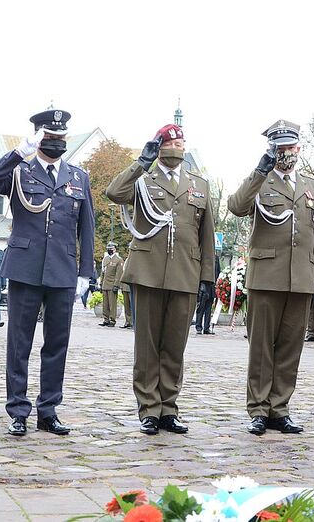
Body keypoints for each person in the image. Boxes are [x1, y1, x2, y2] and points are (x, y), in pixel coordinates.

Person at [0, 108, 94, 437]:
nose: (56, 142)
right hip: (25, 268)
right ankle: (18, 410)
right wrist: (18, 153)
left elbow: (86, 227)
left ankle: (48, 410)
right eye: (49, 137)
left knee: (57, 343)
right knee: (20, 343)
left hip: (62, 269)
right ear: (38, 138)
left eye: (60, 137)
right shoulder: (20, 171)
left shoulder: (77, 177)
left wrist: (85, 272)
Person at [107, 123, 215, 435]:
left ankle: (169, 408)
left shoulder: (199, 184)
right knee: (147, 346)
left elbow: (206, 234)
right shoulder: (143, 179)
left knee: (174, 346)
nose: (177, 147)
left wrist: (207, 277)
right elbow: (115, 192)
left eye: (180, 143)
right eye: (170, 143)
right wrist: (142, 162)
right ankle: (149, 409)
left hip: (185, 272)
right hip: (148, 272)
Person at [227, 119, 314, 436]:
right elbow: (236, 206)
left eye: (291, 146)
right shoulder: (260, 180)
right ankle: (258, 409)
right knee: (261, 348)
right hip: (266, 276)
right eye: (280, 147)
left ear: (299, 148)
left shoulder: (312, 187)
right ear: (271, 149)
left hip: (300, 277)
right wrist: (260, 170)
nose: (287, 152)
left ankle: (279, 409)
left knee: (289, 348)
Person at [99, 241, 124, 327]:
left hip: (112, 285)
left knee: (112, 304)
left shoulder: (119, 260)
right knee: (105, 304)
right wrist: (101, 284)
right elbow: (103, 272)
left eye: (111, 248)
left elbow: (119, 273)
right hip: (105, 285)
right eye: (108, 248)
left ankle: (112, 320)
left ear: (115, 249)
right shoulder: (105, 259)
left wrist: (116, 285)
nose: (109, 250)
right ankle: (106, 319)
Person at [194, 255, 220, 334]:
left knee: (208, 309)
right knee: (201, 307)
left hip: (212, 286)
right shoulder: (202, 256)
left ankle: (206, 328)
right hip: (203, 285)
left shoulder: (216, 258)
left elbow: (218, 272)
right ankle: (198, 327)